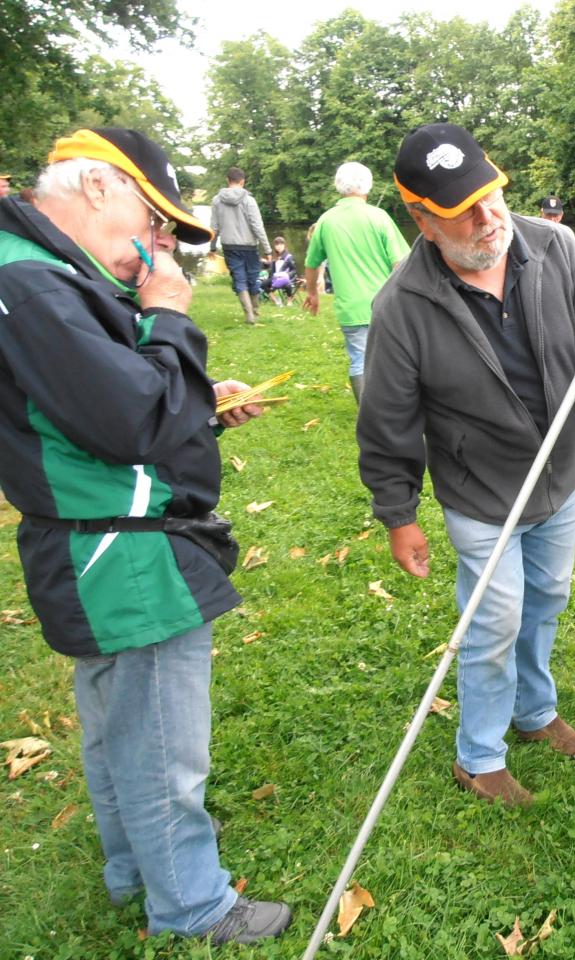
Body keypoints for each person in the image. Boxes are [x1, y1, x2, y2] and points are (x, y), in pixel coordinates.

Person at [0, 128, 290, 943]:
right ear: (98, 187)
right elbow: (130, 419)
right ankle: (192, 902)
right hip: (122, 553)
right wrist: (168, 317)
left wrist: (197, 401)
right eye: (154, 221)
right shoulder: (33, 281)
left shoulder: (45, 272)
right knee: (160, 740)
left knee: (116, 724)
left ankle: (132, 868)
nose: (158, 245)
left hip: (98, 542)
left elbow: (101, 408)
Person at [357, 123, 575, 807]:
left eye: (492, 195)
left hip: (558, 478)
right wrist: (398, 514)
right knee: (492, 621)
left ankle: (535, 712)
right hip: (480, 492)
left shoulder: (554, 248)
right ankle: (478, 756)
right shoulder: (401, 307)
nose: (491, 219)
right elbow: (388, 420)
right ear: (422, 220)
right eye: (465, 211)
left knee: (544, 602)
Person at [304, 162, 409, 404]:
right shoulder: (379, 217)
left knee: (359, 359)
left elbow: (311, 263)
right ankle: (397, 405)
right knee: (395, 356)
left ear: (338, 186)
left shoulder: (326, 221)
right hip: (385, 306)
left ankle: (367, 412)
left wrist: (313, 294)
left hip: (350, 308)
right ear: (368, 186)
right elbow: (400, 264)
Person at [209, 167, 270, 326]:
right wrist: (268, 249)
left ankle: (249, 314)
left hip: (229, 246)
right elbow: (257, 226)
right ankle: (255, 310)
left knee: (239, 278)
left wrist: (212, 247)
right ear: (243, 181)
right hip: (249, 246)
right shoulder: (249, 200)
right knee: (253, 278)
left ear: (227, 180)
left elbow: (214, 227)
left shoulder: (216, 200)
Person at [265, 236, 299, 307]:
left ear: (284, 245)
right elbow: (272, 271)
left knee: (286, 283)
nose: (278, 246)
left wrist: (287, 275)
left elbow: (294, 270)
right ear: (274, 247)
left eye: (281, 244)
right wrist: (269, 278)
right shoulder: (274, 257)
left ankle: (289, 300)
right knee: (263, 283)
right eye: (276, 245)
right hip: (276, 278)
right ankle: (275, 300)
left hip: (286, 278)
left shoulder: (288, 257)